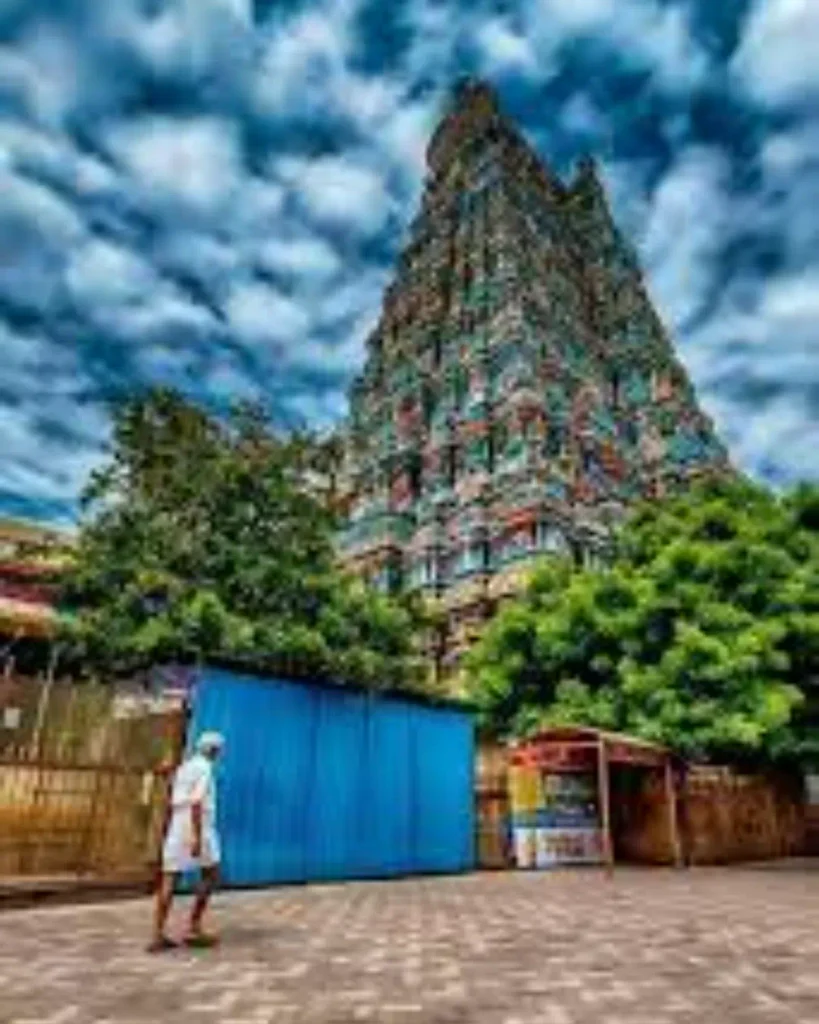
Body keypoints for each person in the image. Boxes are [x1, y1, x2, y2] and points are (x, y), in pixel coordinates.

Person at [148, 731, 225, 953]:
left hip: (177, 824)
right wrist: (197, 837)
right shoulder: (204, 769)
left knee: (170, 877)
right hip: (197, 824)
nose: (220, 754)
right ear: (213, 750)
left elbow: (173, 797)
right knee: (211, 874)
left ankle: (157, 933)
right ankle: (194, 927)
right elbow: (197, 803)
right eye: (219, 750)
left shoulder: (184, 768)